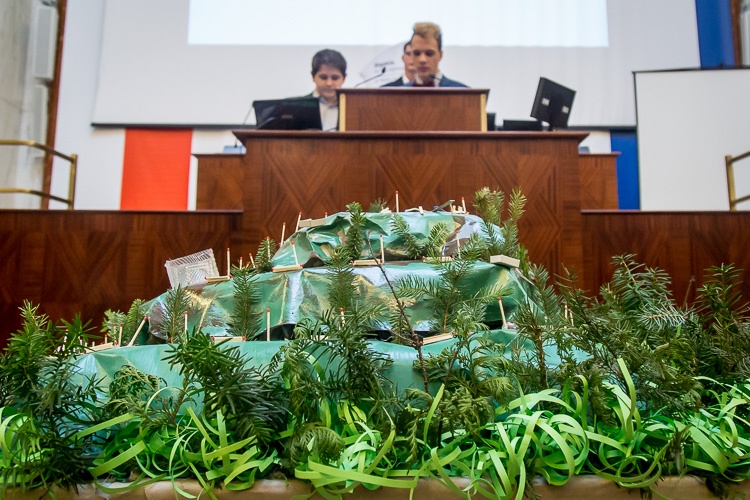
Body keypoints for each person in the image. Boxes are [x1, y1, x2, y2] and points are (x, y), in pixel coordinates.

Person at [406, 22, 468, 88]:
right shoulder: (400, 92)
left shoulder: (462, 91)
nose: (422, 60)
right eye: (417, 53)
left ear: (440, 55)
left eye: (429, 53)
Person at [309, 49, 347, 130]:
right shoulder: (295, 108)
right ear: (313, 77)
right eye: (323, 77)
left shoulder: (353, 109)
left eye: (335, 78)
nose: (329, 83)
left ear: (344, 78)